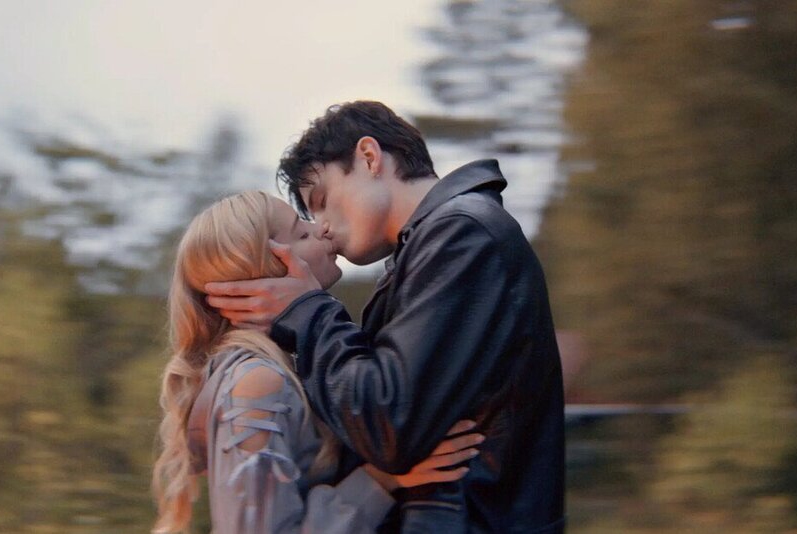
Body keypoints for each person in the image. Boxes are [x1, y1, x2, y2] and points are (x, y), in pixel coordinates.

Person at [205, 101, 565, 532]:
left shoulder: (462, 235)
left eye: (322, 201)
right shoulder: (431, 249)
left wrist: (308, 312)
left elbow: (387, 425)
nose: (321, 227)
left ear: (369, 157)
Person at [152, 191, 485, 533]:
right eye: (301, 232)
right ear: (268, 269)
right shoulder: (256, 381)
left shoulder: (285, 364)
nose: (320, 229)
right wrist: (381, 478)